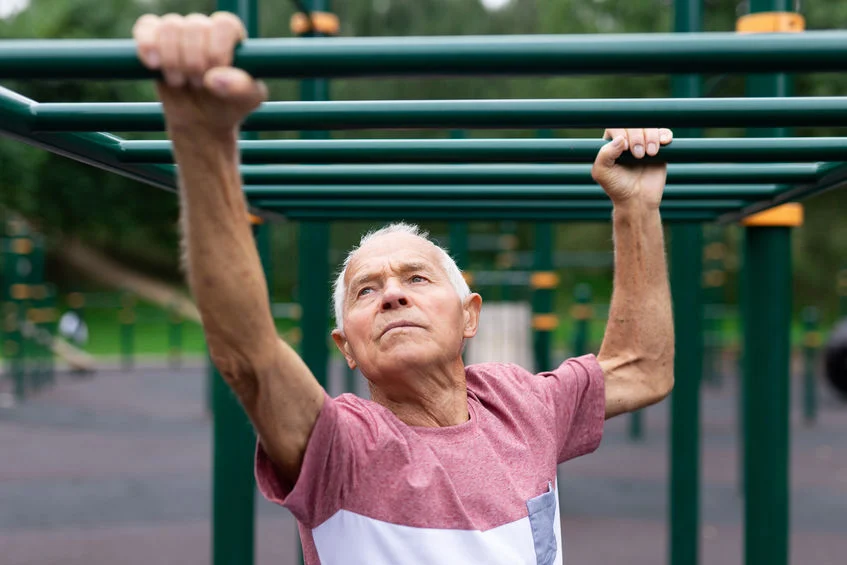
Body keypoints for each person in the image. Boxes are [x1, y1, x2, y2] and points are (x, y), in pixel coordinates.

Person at [133, 12, 675, 565]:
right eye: (366, 291)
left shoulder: (520, 406)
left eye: (416, 278)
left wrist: (636, 207)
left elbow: (641, 367)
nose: (392, 294)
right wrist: (203, 140)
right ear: (347, 345)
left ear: (470, 316)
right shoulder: (344, 449)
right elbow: (249, 358)